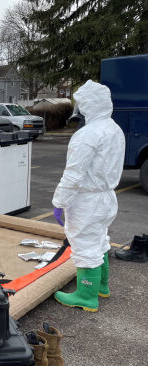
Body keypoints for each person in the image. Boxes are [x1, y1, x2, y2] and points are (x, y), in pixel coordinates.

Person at [52, 80, 125, 312]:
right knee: (99, 240)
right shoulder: (115, 129)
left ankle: (86, 295)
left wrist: (59, 202)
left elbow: (73, 175)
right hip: (106, 197)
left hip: (87, 199)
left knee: (84, 244)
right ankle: (102, 286)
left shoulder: (87, 135)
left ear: (89, 105)